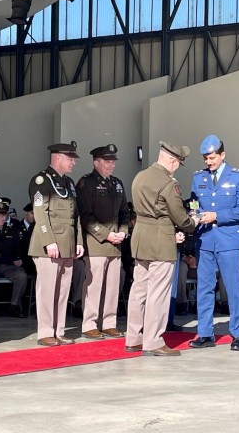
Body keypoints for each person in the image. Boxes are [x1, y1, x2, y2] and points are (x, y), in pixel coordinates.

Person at [125, 141, 198, 357]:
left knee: (139, 289)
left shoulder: (140, 176)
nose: (177, 168)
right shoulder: (168, 183)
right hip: (160, 239)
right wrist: (192, 223)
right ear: (172, 161)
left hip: (140, 236)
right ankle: (153, 341)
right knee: (159, 292)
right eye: (178, 163)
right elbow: (178, 215)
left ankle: (134, 338)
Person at [189, 134, 239, 352]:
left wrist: (216, 215)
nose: (208, 162)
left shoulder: (237, 177)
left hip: (228, 240)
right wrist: (194, 216)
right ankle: (205, 333)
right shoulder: (198, 178)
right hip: (205, 240)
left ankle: (237, 334)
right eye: (205, 158)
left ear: (222, 155)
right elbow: (194, 204)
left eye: (212, 157)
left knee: (233, 288)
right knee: (204, 289)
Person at [28, 141, 84, 347]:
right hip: (49, 245)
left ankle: (58, 330)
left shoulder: (68, 183)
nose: (73, 163)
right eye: (70, 159)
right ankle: (45, 332)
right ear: (57, 158)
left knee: (62, 291)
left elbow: (74, 215)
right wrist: (48, 241)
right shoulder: (42, 180)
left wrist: (77, 241)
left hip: (67, 244)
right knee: (48, 289)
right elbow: (40, 213)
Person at [76, 144, 130, 339]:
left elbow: (125, 212)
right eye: (107, 162)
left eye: (113, 161)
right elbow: (85, 216)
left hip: (115, 244)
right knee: (94, 284)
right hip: (96, 243)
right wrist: (106, 234)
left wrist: (123, 232)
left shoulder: (117, 183)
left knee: (113, 285)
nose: (111, 165)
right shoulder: (86, 183)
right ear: (96, 162)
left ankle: (109, 322)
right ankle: (89, 323)